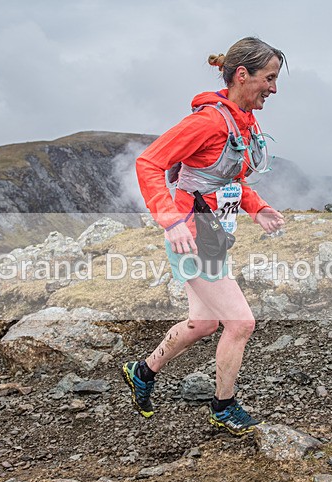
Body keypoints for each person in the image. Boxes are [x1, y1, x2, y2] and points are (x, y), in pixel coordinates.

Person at [123, 37, 286, 435]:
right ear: (242, 75)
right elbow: (148, 163)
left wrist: (257, 207)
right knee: (240, 323)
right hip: (193, 237)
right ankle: (223, 407)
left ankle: (143, 371)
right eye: (269, 78)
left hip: (213, 234)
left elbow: (225, 180)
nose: (274, 88)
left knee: (204, 323)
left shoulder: (243, 122)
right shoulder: (208, 122)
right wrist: (171, 221)